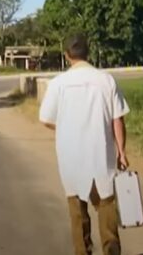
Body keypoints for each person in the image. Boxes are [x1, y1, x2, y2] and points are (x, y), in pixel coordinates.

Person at [39, 33, 130, 255]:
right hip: (102, 153)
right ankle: (111, 250)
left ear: (67, 55)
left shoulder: (59, 83)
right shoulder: (106, 79)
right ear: (88, 52)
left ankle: (83, 251)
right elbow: (117, 119)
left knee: (77, 208)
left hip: (71, 154)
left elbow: (46, 119)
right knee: (106, 204)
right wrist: (121, 151)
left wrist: (68, 130)